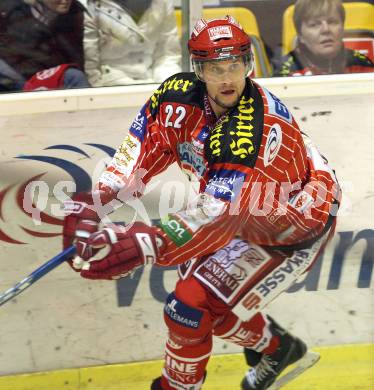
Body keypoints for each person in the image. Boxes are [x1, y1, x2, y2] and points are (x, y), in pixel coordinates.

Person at [62, 16, 341, 390]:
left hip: (295, 220)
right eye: (215, 68)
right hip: (237, 210)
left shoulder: (251, 131)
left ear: (249, 64)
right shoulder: (176, 95)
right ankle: (278, 348)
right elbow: (142, 147)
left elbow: (218, 216)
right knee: (200, 306)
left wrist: (146, 242)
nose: (227, 79)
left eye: (235, 66)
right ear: (198, 69)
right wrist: (100, 198)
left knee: (189, 308)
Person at [77, 0, 181, 86]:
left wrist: (169, 87)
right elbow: (91, 68)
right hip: (110, 87)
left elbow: (167, 56)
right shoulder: (92, 6)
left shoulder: (163, 3)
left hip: (153, 84)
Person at [0, 0, 90, 91]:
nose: (66, 1)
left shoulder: (75, 13)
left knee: (74, 75)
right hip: (15, 80)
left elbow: (76, 57)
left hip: (50, 78)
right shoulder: (9, 10)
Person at [275, 0, 374, 76]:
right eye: (314, 24)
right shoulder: (285, 72)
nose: (325, 30)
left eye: (332, 22)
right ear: (300, 35)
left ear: (342, 29)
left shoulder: (361, 63)